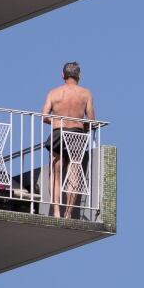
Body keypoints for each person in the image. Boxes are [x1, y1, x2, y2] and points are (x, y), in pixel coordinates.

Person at [42, 62, 95, 218]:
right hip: (76, 134)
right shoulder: (85, 94)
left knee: (56, 172)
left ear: (62, 75)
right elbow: (91, 120)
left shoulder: (54, 93)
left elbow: (44, 116)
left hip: (59, 133)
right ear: (79, 76)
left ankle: (56, 211)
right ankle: (69, 213)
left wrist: (58, 121)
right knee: (74, 172)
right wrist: (80, 125)